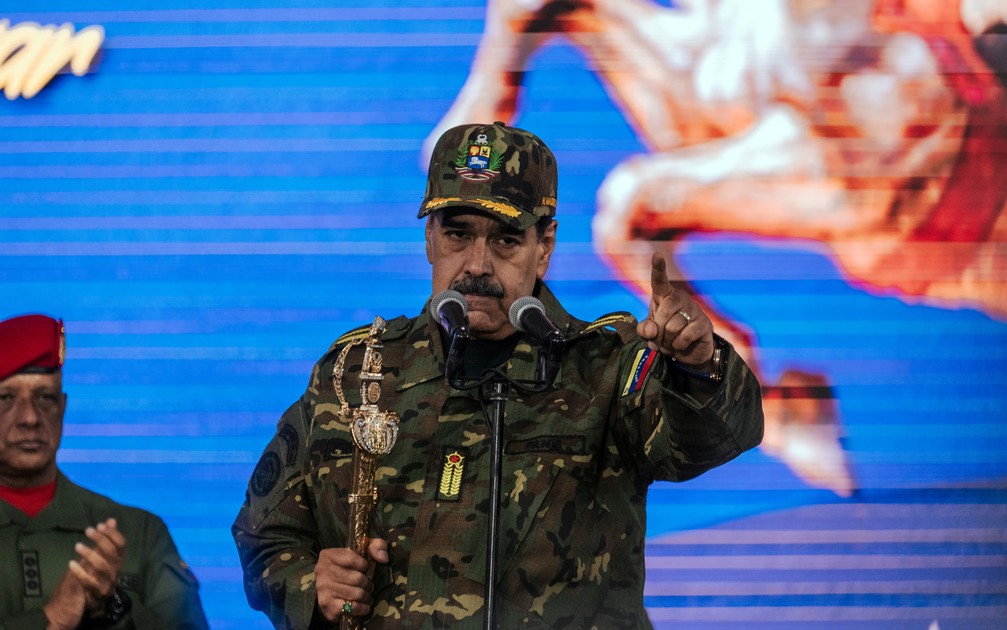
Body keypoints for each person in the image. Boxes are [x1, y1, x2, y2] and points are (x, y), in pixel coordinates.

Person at [232, 122, 765, 628]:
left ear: (545, 246)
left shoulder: (606, 368)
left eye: (506, 240)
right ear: (429, 239)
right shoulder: (356, 374)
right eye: (457, 234)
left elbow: (717, 436)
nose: (477, 265)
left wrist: (698, 365)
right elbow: (265, 533)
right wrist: (312, 585)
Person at [0, 314, 210, 629]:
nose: (30, 418)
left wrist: (115, 609)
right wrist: (50, 619)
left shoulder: (139, 534)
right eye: (6, 398)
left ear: (63, 408)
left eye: (45, 397)